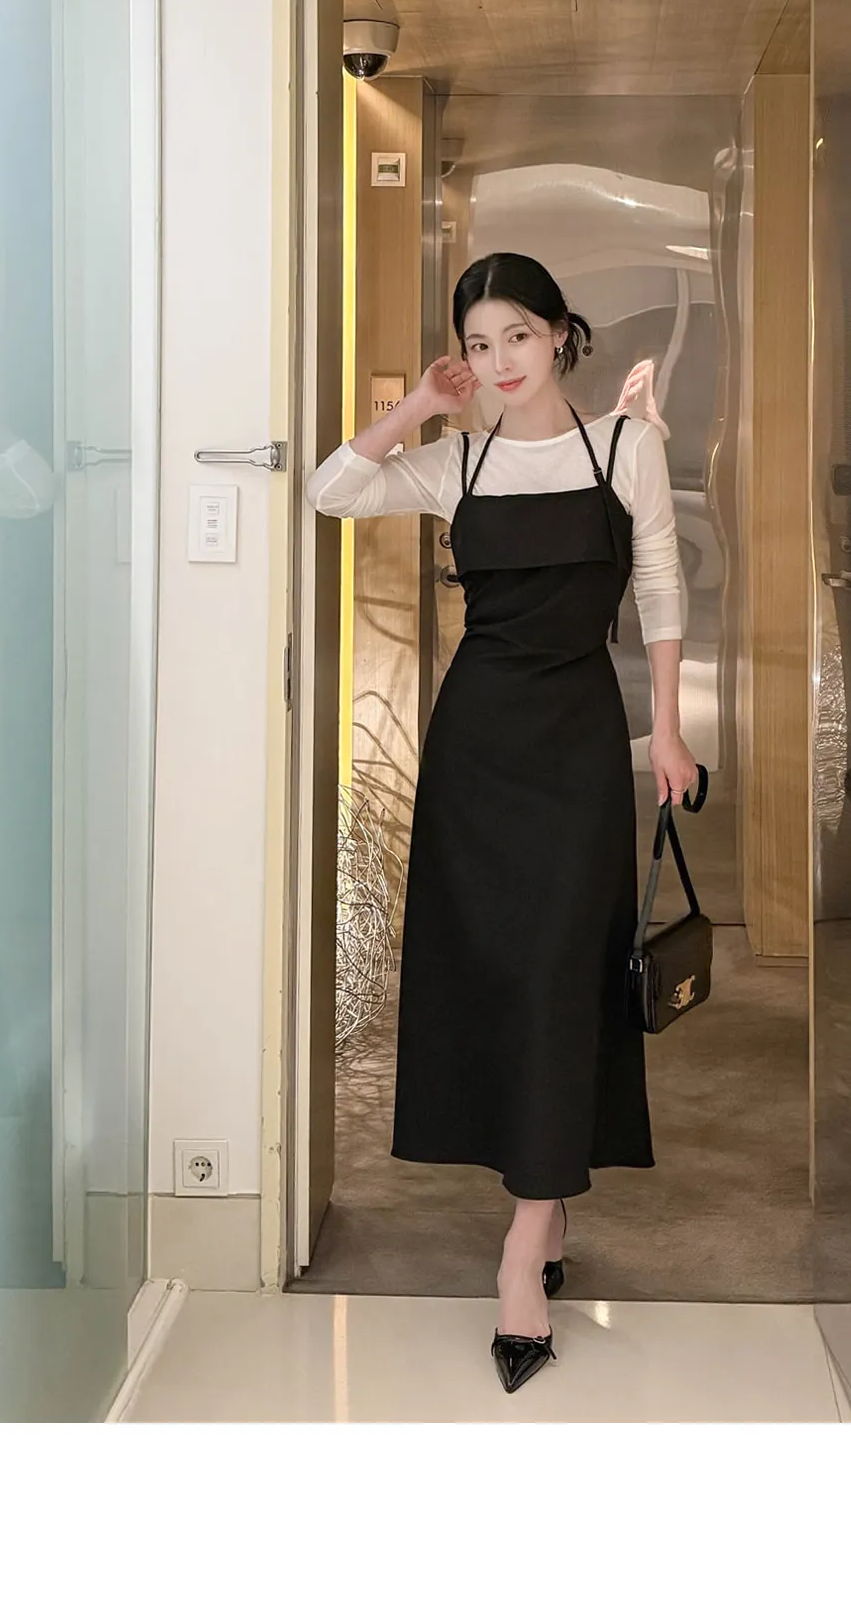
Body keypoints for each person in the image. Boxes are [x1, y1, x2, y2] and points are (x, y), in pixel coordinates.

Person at [308, 252, 698, 1393]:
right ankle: (545, 1196)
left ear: (560, 333)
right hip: (476, 747)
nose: (499, 361)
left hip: (577, 741)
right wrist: (418, 409)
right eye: (478, 346)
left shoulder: (624, 446)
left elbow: (661, 586)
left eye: (516, 336)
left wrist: (670, 731)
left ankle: (524, 1248)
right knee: (497, 975)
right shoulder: (460, 460)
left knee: (560, 973)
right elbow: (333, 490)